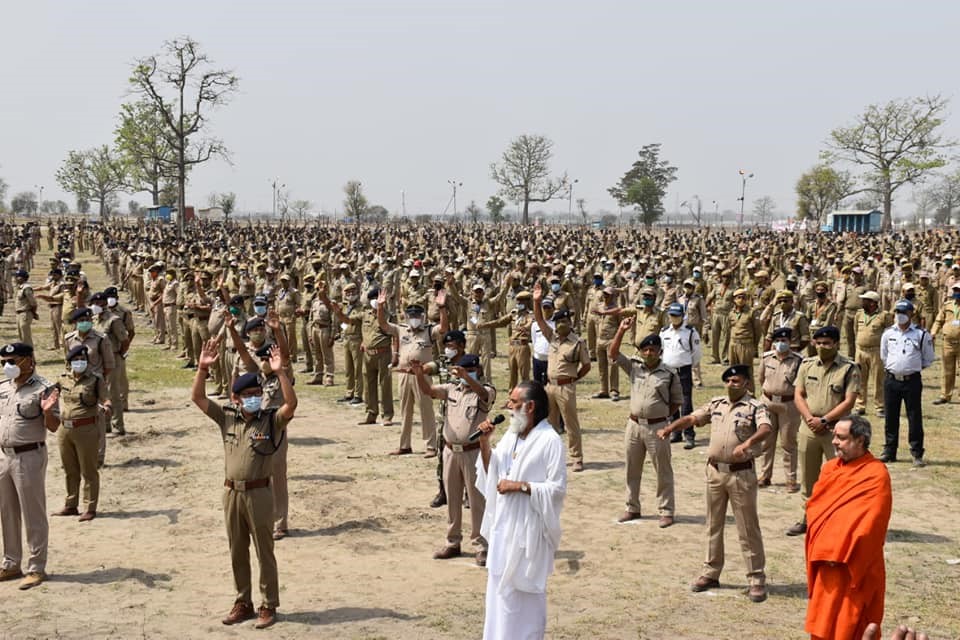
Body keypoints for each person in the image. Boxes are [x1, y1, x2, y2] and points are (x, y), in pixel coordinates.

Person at [192, 339, 297, 629]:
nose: (253, 398)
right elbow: (199, 399)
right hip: (231, 493)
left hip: (260, 493)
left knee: (265, 552)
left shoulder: (269, 420)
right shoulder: (227, 417)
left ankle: (268, 605)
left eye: (257, 393)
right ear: (235, 398)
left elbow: (290, 405)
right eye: (247, 394)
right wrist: (202, 368)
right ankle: (243, 602)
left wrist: (280, 374)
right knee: (237, 550)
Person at [657, 364, 772, 603]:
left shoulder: (755, 406)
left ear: (747, 384)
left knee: (747, 527)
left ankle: (756, 578)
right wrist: (671, 427)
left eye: (737, 382)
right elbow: (693, 417)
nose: (731, 385)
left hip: (740, 475)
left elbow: (765, 428)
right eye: (728, 381)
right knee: (713, 524)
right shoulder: (717, 403)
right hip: (715, 473)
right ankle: (710, 572)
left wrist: (747, 444)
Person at [474, 381, 566, 640]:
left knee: (524, 600)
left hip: (529, 533)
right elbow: (494, 472)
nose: (509, 407)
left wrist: (521, 486)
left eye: (513, 403)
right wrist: (484, 443)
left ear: (530, 406)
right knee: (499, 597)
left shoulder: (550, 441)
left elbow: (557, 489)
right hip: (504, 527)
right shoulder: (512, 435)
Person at [805, 415, 892, 640]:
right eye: (834, 436)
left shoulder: (876, 474)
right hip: (825, 564)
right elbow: (815, 509)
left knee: (849, 624)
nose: (834, 442)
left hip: (854, 567)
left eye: (841, 438)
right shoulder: (830, 469)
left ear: (860, 441)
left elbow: (871, 524)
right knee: (821, 624)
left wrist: (840, 552)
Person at [413, 354, 494, 565]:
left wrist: (468, 377)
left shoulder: (485, 390)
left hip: (473, 451)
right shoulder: (451, 389)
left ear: (476, 369)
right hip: (451, 451)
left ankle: (481, 544)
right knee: (453, 498)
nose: (461, 374)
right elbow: (429, 391)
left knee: (477, 500)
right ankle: (452, 542)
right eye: (460, 370)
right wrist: (419, 374)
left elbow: (484, 394)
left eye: (467, 370)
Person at [787, 326, 860, 536]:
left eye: (827, 343)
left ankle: (839, 520)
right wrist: (810, 419)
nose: (822, 347)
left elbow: (849, 401)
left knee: (839, 477)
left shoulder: (849, 368)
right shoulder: (807, 365)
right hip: (809, 429)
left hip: (836, 432)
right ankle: (807, 518)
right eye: (818, 343)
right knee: (808, 477)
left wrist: (826, 419)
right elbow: (798, 395)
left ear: (837, 344)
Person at [0, 342, 61, 590]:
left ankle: (37, 567)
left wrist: (48, 412)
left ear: (28, 360)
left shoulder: (45, 388)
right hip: (4, 456)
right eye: (4, 361)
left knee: (32, 511)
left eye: (13, 361)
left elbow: (54, 426)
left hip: (29, 456)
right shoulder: (3, 388)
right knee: (7, 512)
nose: (7, 366)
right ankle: (11, 562)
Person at [610, 319, 681, 527]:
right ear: (640, 352)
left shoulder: (669, 373)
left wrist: (661, 417)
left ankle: (666, 510)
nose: (649, 353)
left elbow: (677, 402)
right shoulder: (634, 368)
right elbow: (613, 354)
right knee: (632, 468)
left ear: (660, 352)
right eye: (645, 350)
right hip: (633, 426)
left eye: (653, 350)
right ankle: (632, 507)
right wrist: (621, 330)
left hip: (658, 427)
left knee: (663, 470)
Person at [377, 292, 448, 456]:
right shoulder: (402, 329)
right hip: (403, 374)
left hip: (421, 374)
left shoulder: (429, 330)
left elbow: (443, 328)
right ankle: (404, 445)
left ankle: (431, 445)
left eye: (417, 315)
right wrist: (380, 307)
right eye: (411, 315)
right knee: (405, 410)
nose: (414, 318)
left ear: (422, 317)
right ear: (407, 317)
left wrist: (442, 308)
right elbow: (384, 325)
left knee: (426, 409)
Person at [532, 284, 590, 472]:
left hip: (566, 387)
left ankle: (576, 457)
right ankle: (551, 458)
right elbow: (540, 320)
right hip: (549, 386)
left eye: (564, 321)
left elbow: (586, 366)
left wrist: (573, 379)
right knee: (549, 425)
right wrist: (536, 301)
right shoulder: (553, 338)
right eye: (558, 322)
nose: (561, 325)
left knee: (571, 424)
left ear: (570, 323)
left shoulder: (578, 342)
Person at [52, 345, 109, 522]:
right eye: (76, 360)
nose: (80, 362)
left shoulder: (95, 379)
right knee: (70, 469)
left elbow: (105, 398)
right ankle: (71, 504)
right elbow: (51, 395)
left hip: (86, 429)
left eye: (82, 359)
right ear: (69, 363)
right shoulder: (62, 380)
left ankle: (90, 507)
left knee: (89, 470)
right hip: (65, 429)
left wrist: (107, 407)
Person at [879, 300, 934, 466]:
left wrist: (910, 368)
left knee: (914, 416)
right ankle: (889, 451)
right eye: (897, 312)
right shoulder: (888, 333)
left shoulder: (921, 334)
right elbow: (884, 356)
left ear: (911, 314)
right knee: (890, 417)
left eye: (903, 312)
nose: (899, 315)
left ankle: (917, 453)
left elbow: (927, 359)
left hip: (912, 381)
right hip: (891, 380)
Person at [757, 327, 803, 492]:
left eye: (784, 341)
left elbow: (801, 385)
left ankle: (790, 479)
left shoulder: (798, 360)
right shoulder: (767, 358)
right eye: (777, 341)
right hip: (768, 402)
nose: (780, 344)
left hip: (788, 405)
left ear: (790, 342)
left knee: (788, 443)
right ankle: (764, 475)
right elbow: (761, 378)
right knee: (766, 442)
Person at [660, 302, 701, 448]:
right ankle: (675, 433)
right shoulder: (664, 331)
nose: (674, 318)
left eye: (677, 316)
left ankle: (689, 435)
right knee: (671, 403)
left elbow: (696, 354)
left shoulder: (690, 332)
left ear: (682, 316)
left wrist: (687, 364)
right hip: (668, 370)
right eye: (672, 316)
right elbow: (662, 351)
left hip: (683, 371)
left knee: (686, 404)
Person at [930, 282, 960, 405]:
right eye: (955, 290)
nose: (957, 292)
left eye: (959, 290)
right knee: (947, 370)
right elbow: (938, 321)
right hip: (947, 343)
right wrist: (933, 332)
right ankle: (945, 395)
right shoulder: (947, 305)